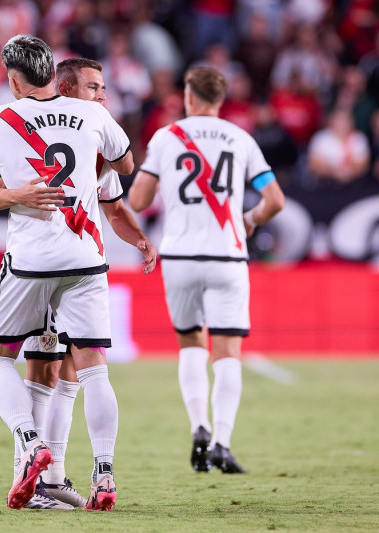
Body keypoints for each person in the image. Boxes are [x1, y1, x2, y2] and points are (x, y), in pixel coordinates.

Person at [0, 35, 135, 511]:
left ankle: (30, 444)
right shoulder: (92, 115)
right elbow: (125, 162)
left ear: (14, 79)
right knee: (92, 372)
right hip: (86, 260)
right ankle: (103, 473)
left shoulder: (0, 118)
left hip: (31, 263)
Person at [0, 57, 157, 509]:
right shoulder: (36, 136)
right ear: (66, 89)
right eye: (94, 87)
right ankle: (43, 477)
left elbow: (114, 208)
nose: (102, 96)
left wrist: (139, 240)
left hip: (66, 269)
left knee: (69, 371)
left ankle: (48, 475)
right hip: (62, 268)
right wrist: (18, 194)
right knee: (48, 369)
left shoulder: (95, 138)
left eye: (102, 87)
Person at [128, 66, 285, 474]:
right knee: (228, 351)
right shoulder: (240, 138)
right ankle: (222, 442)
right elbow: (275, 200)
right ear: (220, 99)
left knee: (191, 344)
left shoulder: (166, 137)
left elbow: (140, 200)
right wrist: (249, 221)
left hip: (179, 257)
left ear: (188, 96)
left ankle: (198, 425)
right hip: (227, 257)